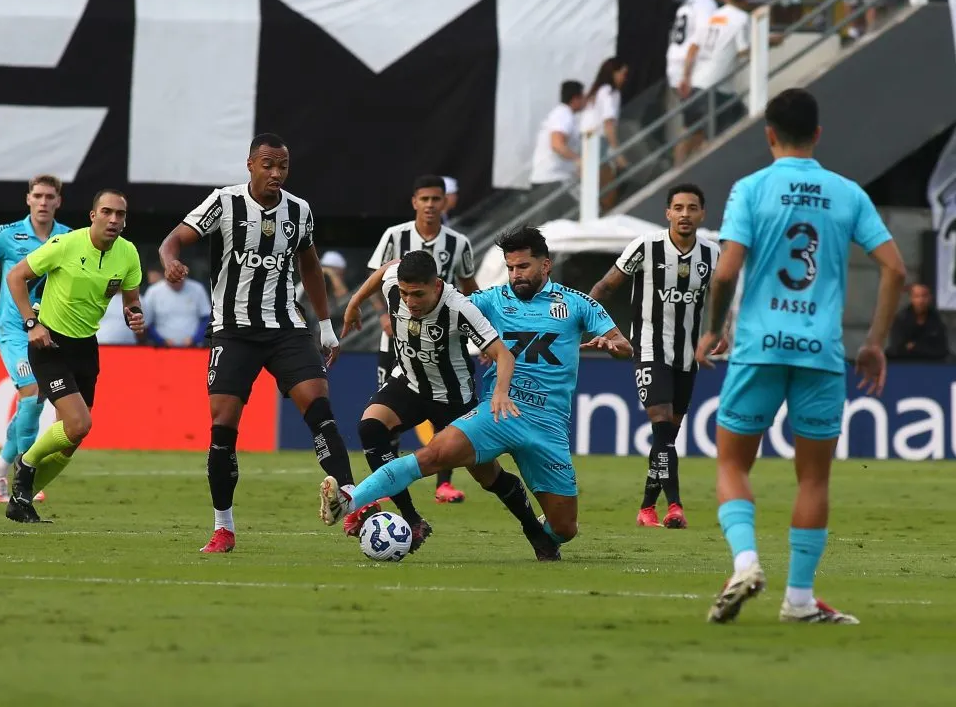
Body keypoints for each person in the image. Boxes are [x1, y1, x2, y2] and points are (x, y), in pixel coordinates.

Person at [695, 88, 907, 624]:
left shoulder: (750, 189)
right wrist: (874, 342)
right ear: (817, 134)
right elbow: (895, 269)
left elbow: (725, 272)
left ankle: (745, 562)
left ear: (769, 134)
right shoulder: (848, 194)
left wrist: (713, 330)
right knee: (813, 480)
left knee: (732, 463)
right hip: (820, 354)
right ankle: (799, 600)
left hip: (759, 348)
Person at [319, 227, 633, 558]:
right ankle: (349, 501)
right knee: (434, 454)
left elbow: (625, 345)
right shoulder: (490, 300)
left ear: (546, 265)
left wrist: (611, 346)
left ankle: (544, 530)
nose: (515, 275)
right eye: (510, 267)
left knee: (565, 529)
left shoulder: (576, 303)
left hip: (548, 424)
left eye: (523, 267)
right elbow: (443, 305)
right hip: (498, 412)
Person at [158, 133, 354, 554]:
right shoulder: (223, 203)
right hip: (233, 330)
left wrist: (324, 325)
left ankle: (351, 501)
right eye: (267, 164)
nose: (276, 173)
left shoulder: (299, 211)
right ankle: (223, 527)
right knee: (223, 428)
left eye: (282, 166)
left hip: (286, 328)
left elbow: (310, 267)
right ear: (250, 165)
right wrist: (170, 262)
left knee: (320, 411)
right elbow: (171, 240)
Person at [340, 250, 560, 559]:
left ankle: (534, 530)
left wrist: (499, 392)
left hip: (453, 400)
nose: (409, 301)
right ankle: (412, 519)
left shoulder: (459, 308)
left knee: (489, 476)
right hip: (410, 384)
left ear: (437, 285)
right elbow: (386, 269)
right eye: (404, 293)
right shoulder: (394, 284)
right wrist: (354, 303)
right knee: (370, 428)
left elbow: (504, 355)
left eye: (418, 294)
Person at [5, 189, 145, 523]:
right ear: (93, 215)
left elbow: (131, 299)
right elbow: (16, 277)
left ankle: (19, 501)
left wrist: (134, 313)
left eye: (120, 215)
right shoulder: (65, 244)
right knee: (79, 423)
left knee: (71, 440)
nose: (114, 220)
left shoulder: (128, 254)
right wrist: (31, 324)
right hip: (49, 344)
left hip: (86, 347)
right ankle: (25, 464)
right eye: (107, 212)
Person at [590, 182, 721, 529]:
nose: (685, 214)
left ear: (702, 214)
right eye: (678, 208)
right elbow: (604, 287)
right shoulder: (645, 247)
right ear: (667, 213)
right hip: (648, 349)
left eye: (692, 208)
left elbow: (727, 296)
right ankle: (674, 506)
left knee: (667, 438)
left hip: (687, 358)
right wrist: (596, 328)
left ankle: (647, 507)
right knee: (662, 427)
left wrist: (721, 332)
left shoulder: (712, 255)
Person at [367, 175, 479, 504]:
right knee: (387, 413)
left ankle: (444, 484)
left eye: (436, 199)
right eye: (424, 199)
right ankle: (388, 481)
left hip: (443, 346)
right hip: (396, 344)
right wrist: (383, 315)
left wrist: (481, 330)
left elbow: (469, 288)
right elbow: (375, 281)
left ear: (446, 202)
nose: (430, 205)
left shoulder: (459, 243)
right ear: (414, 201)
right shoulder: (394, 236)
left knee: (446, 417)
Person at [0, 174, 71, 503]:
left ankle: (0, 468)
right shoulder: (9, 234)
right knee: (31, 392)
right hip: (13, 330)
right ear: (28, 199)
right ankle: (23, 476)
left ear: (58, 202)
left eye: (49, 197)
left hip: (48, 330)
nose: (43, 202)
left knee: (35, 402)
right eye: (37, 196)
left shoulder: (69, 238)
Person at [678, 0, 750, 162]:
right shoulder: (741, 18)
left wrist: (686, 77)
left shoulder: (714, 16)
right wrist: (765, 42)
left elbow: (693, 47)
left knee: (690, 131)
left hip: (697, 82)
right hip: (718, 87)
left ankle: (676, 171)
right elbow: (744, 52)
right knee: (722, 134)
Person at [666, 0, 723, 165]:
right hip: (688, 69)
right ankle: (679, 168)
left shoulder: (690, 1)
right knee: (693, 124)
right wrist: (687, 76)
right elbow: (700, 41)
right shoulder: (706, 3)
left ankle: (688, 166)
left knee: (697, 124)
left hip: (676, 66)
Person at [581, 57, 630, 211]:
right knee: (608, 187)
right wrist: (617, 152)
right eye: (623, 73)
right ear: (613, 73)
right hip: (598, 142)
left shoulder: (595, 93)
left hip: (587, 142)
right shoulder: (610, 92)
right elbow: (608, 123)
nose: (624, 78)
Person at [529, 81, 586, 188]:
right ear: (575, 99)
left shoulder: (566, 116)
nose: (585, 100)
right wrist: (578, 160)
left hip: (556, 178)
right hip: (551, 179)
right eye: (582, 97)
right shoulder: (563, 115)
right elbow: (557, 144)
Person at [885, 283, 950, 361]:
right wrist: (925, 347)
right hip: (904, 363)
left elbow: (941, 349)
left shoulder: (936, 319)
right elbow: (897, 349)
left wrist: (915, 346)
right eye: (916, 296)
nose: (921, 300)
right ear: (911, 298)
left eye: (924, 296)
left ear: (930, 298)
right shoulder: (901, 319)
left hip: (932, 363)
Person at [142, 275, 210, 347]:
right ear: (166, 273)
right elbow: (146, 323)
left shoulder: (198, 289)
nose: (177, 280)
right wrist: (160, 340)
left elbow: (206, 318)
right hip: (161, 349)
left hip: (193, 348)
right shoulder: (153, 291)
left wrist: (195, 339)